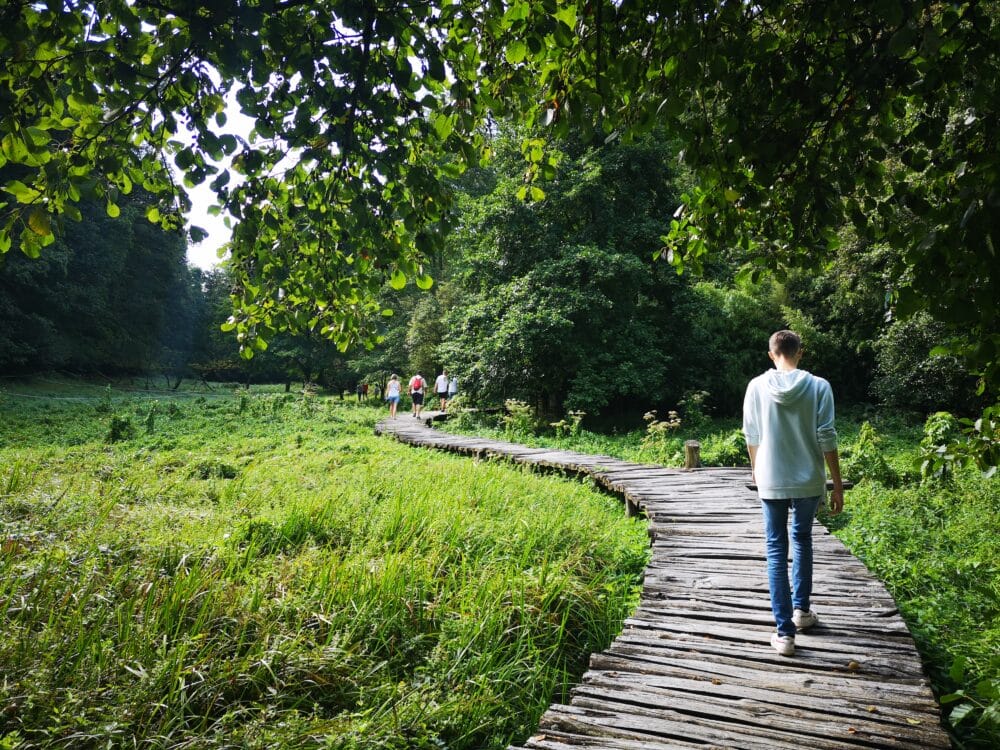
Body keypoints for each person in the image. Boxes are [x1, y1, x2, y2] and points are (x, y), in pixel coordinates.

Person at [743, 330, 844, 657]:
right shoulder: (819, 387)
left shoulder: (756, 386)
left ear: (772, 354)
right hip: (808, 478)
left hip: (771, 478)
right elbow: (826, 436)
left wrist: (757, 472)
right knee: (801, 539)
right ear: (800, 353)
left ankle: (784, 634)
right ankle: (801, 612)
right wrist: (837, 483)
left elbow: (752, 435)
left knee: (775, 548)